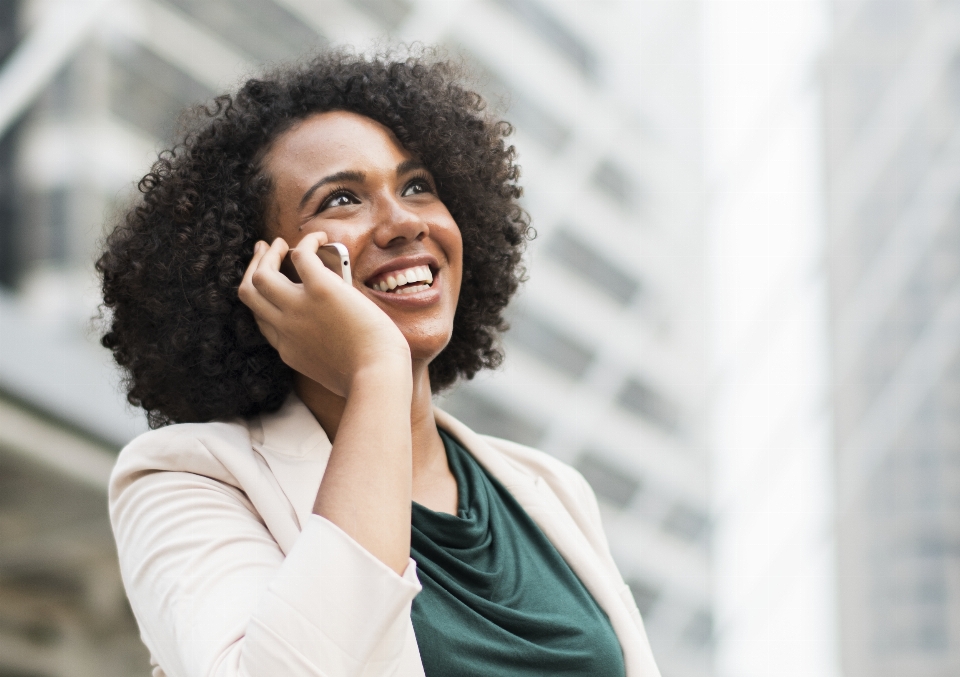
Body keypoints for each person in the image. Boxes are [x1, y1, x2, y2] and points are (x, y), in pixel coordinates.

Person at [98, 50, 661, 677]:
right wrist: (375, 371)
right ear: (262, 272)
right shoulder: (187, 481)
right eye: (342, 199)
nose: (403, 223)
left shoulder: (550, 489)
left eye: (418, 186)